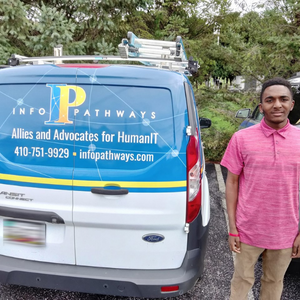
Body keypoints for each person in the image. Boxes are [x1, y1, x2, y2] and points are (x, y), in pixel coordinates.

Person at [220, 77, 300, 300]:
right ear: (261, 105)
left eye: (283, 99)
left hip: (285, 231)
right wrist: (233, 228)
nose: (277, 105)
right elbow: (232, 183)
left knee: (274, 282)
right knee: (242, 281)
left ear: (291, 104)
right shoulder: (241, 138)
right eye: (270, 100)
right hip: (247, 230)